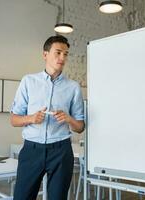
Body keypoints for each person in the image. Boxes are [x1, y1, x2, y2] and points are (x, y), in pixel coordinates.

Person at [10, 35, 85, 200]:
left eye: (65, 54)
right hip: (32, 151)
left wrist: (68, 119)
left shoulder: (73, 87)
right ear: (45, 54)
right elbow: (14, 119)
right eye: (58, 53)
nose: (62, 58)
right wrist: (31, 118)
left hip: (61, 151)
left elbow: (80, 126)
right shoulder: (28, 81)